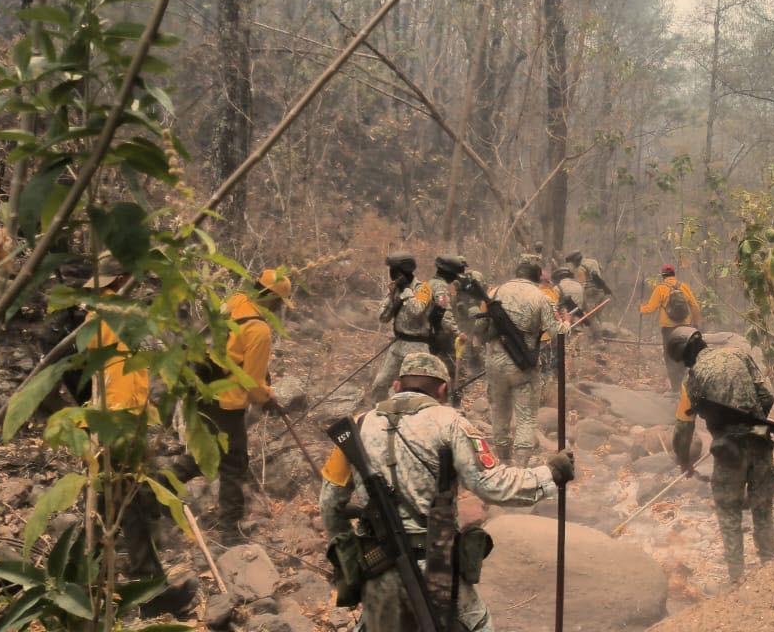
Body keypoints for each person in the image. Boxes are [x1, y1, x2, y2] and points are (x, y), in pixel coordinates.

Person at [319, 353, 575, 631]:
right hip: (438, 567)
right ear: (442, 389)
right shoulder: (450, 422)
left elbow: (330, 503)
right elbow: (491, 485)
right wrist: (550, 475)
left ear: (396, 386)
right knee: (477, 625)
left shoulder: (359, 425)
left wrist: (351, 557)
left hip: (378, 567)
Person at [79, 257, 196, 615]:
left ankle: (89, 581)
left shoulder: (98, 318)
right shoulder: (113, 317)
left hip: (111, 423)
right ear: (123, 279)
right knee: (129, 504)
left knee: (108, 502)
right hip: (119, 426)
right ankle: (150, 592)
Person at [174, 268, 293, 543]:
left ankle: (152, 496)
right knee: (231, 463)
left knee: (206, 454)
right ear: (272, 299)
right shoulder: (260, 329)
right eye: (278, 302)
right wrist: (268, 397)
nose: (279, 308)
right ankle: (229, 530)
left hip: (201, 390)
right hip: (226, 403)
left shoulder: (235, 301)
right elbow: (252, 386)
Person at [668, 327, 774, 584]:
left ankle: (737, 579)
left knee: (729, 512)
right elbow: (767, 395)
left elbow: (683, 428)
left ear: (684, 358)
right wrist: (754, 421)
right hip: (760, 441)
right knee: (762, 510)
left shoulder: (692, 379)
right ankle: (772, 569)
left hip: (729, 453)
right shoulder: (738, 355)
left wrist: (684, 461)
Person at [484, 257, 567, 466]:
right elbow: (555, 332)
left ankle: (503, 463)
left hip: (494, 361)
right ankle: (520, 468)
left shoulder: (495, 291)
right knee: (526, 418)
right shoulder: (542, 297)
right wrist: (566, 323)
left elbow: (482, 325)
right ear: (537, 277)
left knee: (499, 412)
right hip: (523, 365)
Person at [370, 253, 433, 404]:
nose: (391, 273)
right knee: (380, 384)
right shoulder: (395, 289)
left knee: (412, 391)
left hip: (417, 347)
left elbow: (417, 310)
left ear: (403, 270)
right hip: (397, 345)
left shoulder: (423, 289)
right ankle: (380, 415)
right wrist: (392, 298)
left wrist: (406, 291)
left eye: (393, 269)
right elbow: (382, 317)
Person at [640, 264, 703, 397]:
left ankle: (675, 390)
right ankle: (687, 388)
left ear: (663, 276)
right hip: (686, 328)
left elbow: (651, 308)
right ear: (674, 274)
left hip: (669, 330)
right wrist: (695, 324)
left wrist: (641, 309)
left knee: (670, 358)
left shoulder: (660, 288)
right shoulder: (684, 287)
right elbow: (695, 306)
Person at [428, 255, 466, 386]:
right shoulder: (440, 288)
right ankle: (454, 402)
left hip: (429, 334)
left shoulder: (429, 283)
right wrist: (458, 333)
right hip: (437, 336)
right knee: (456, 372)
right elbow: (445, 315)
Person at [566, 251, 612, 333]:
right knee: (596, 315)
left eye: (573, 262)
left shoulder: (580, 268)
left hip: (591, 292)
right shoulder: (592, 262)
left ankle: (598, 340)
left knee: (590, 316)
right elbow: (598, 274)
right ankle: (596, 335)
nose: (573, 264)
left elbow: (583, 285)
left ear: (576, 260)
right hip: (600, 292)